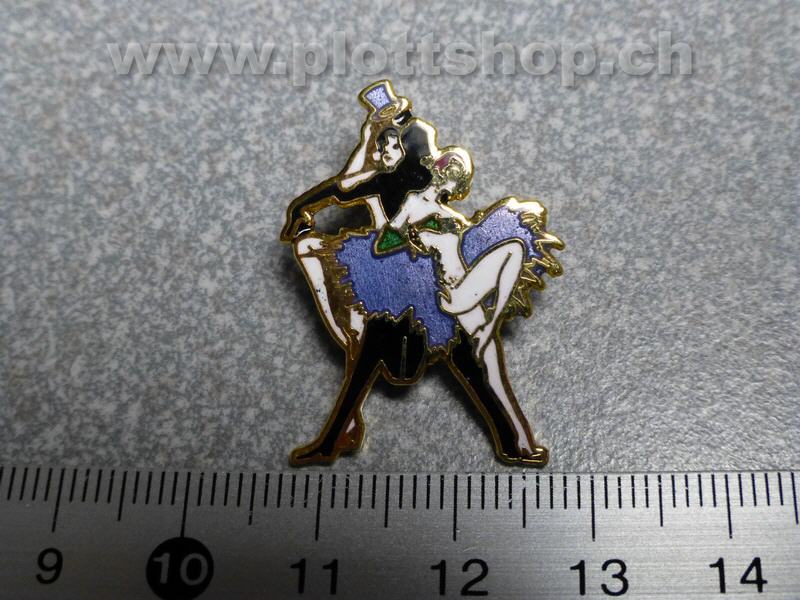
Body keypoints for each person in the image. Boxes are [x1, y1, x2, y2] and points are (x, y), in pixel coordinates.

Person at [280, 81, 560, 466]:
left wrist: (382, 127)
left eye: (392, 145)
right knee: (391, 351)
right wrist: (408, 234)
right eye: (384, 145)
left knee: (465, 356)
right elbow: (358, 202)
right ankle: (337, 436)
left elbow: (351, 188)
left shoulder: (437, 207)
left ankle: (512, 438)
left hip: (442, 291)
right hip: (412, 289)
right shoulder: (405, 194)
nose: (385, 152)